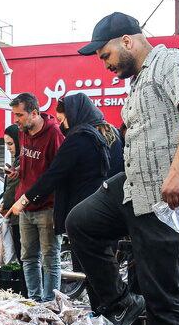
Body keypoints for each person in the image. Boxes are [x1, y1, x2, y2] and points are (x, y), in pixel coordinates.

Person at [66, 12, 179, 325]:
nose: (105, 65)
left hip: (169, 195)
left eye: (106, 55)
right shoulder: (138, 82)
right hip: (134, 187)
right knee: (80, 223)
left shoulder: (173, 62)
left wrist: (178, 171)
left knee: (162, 296)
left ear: (127, 41)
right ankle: (119, 302)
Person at [8, 92, 124, 256]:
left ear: (74, 114)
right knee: (106, 262)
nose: (63, 127)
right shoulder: (110, 133)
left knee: (86, 266)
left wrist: (24, 199)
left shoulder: (79, 138)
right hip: (108, 210)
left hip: (84, 211)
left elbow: (55, 173)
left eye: (63, 121)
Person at [6, 93, 64, 301]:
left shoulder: (54, 133)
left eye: (19, 115)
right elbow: (30, 163)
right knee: (28, 258)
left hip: (47, 207)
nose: (16, 120)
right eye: (14, 115)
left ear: (35, 113)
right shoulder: (23, 131)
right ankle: (34, 301)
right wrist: (17, 171)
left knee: (50, 259)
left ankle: (50, 304)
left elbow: (58, 171)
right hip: (25, 207)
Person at [0, 124, 22, 261]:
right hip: (16, 215)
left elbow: (13, 188)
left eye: (10, 144)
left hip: (20, 215)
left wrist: (5, 205)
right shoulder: (18, 160)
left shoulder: (23, 160)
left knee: (25, 258)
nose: (8, 148)